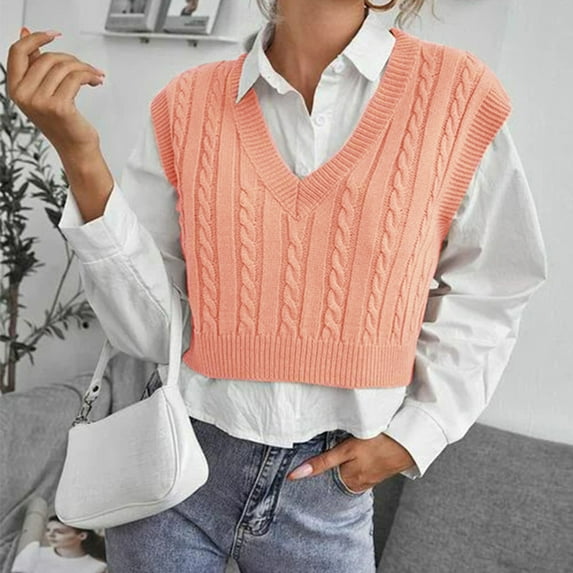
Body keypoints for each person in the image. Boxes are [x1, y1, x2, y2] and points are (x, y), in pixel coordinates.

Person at [5, 0, 547, 570]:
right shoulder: (186, 104)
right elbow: (148, 331)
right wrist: (81, 157)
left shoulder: (455, 96)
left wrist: (418, 433)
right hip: (175, 468)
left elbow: (494, 287)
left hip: (328, 491)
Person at [11, 515, 107, 573]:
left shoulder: (96, 567)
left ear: (82, 536)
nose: (51, 535)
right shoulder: (34, 552)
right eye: (48, 530)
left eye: (59, 532)